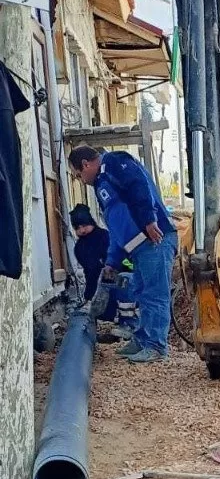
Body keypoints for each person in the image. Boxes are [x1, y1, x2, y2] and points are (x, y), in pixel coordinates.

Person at [68, 145, 177, 365]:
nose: (81, 180)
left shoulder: (114, 163)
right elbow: (117, 227)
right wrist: (112, 262)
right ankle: (143, 339)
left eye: (79, 175)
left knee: (154, 293)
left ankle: (156, 346)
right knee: (140, 291)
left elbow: (139, 185)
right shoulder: (102, 185)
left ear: (86, 164)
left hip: (155, 239)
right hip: (139, 247)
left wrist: (149, 219)